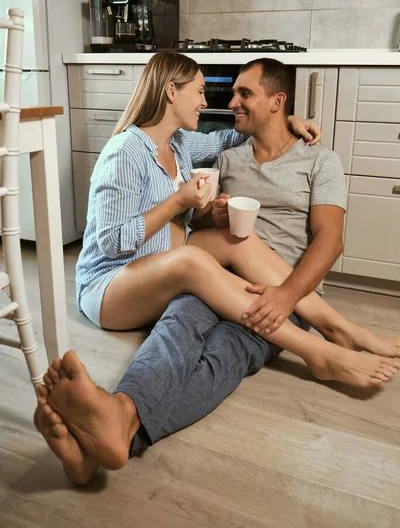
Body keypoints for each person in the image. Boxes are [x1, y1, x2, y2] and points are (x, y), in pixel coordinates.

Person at [33, 53, 399, 485]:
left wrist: (290, 118)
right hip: (126, 280)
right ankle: (319, 352)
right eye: (205, 91)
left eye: (242, 93)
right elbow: (113, 241)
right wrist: (190, 205)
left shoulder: (193, 146)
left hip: (234, 281)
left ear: (275, 101)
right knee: (186, 295)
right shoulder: (133, 151)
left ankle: (339, 331)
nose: (215, 102)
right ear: (172, 91)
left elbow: (233, 139)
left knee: (226, 284)